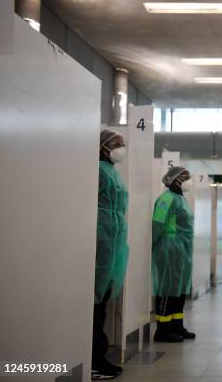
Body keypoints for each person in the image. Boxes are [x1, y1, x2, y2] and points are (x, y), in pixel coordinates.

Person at [93, 129, 129, 380]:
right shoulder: (96, 171)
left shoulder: (113, 174)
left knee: (102, 305)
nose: (121, 148)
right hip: (99, 242)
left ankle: (99, 357)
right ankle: (93, 361)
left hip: (111, 245)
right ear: (102, 146)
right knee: (93, 308)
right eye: (117, 144)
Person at [152, 166, 196, 343]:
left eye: (188, 176)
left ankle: (177, 325)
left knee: (179, 289)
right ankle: (162, 330)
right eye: (184, 177)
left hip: (182, 249)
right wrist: (154, 244)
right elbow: (158, 223)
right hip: (169, 247)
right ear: (174, 180)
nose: (188, 180)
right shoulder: (166, 199)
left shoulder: (181, 199)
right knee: (167, 288)